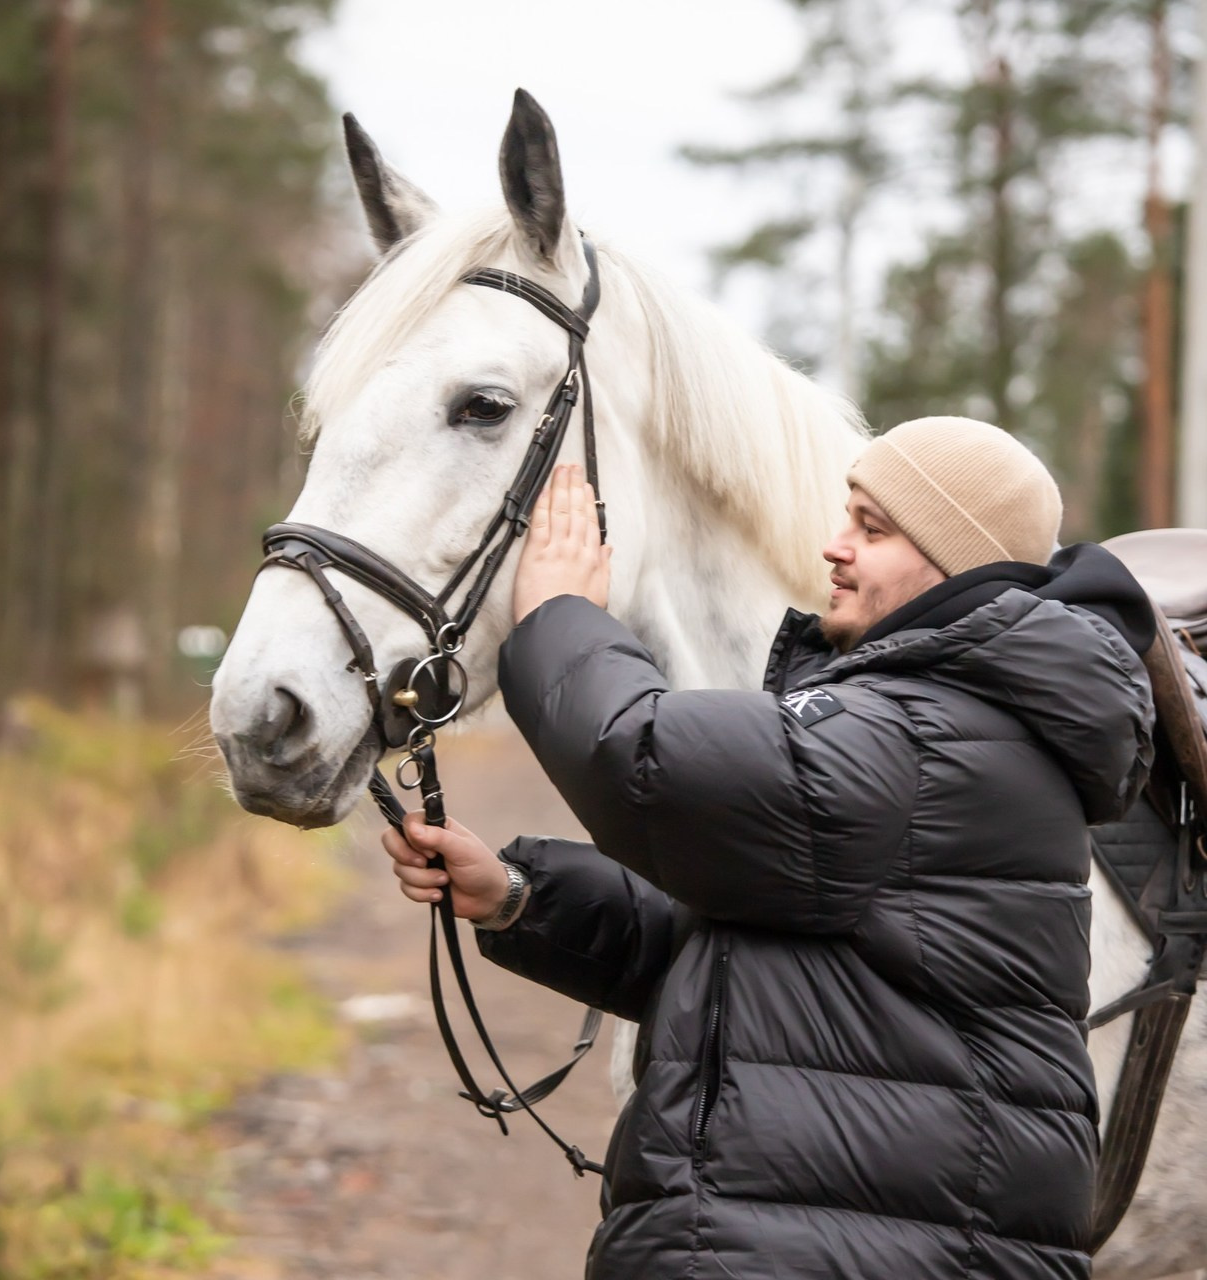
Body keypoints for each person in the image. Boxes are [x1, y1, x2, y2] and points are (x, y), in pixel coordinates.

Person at [382, 416, 1156, 1279]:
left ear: (956, 561)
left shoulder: (922, 734)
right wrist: (523, 896)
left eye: (872, 527)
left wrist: (557, 614)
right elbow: (755, 967)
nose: (835, 547)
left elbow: (638, 756)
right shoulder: (952, 724)